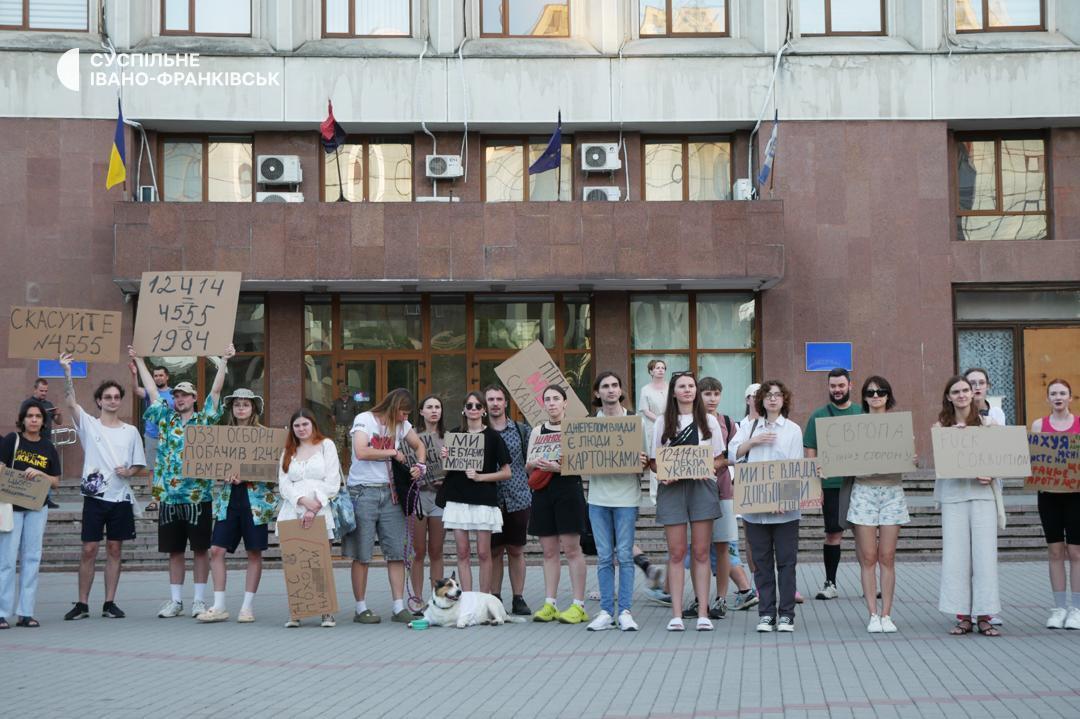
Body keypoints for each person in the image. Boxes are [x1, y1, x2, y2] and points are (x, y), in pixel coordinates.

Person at [131, 343, 234, 619]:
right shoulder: (164, 418)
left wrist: (223, 361)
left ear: (193, 398)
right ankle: (175, 600)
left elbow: (215, 391)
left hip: (198, 497)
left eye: (185, 395)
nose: (180, 398)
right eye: (177, 394)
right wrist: (140, 359)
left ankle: (199, 600)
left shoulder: (205, 420)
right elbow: (153, 391)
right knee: (174, 551)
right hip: (168, 497)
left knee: (200, 550)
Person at [59, 354, 146, 621]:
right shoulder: (89, 424)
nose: (112, 401)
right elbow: (71, 402)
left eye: (116, 397)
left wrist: (129, 471)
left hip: (119, 498)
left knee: (115, 549)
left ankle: (109, 602)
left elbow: (140, 466)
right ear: (99, 401)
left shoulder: (130, 431)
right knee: (89, 549)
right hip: (95, 497)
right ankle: (82, 603)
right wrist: (67, 371)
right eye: (107, 397)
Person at [649, 371, 725, 632]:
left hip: (702, 487)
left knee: (702, 552)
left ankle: (703, 612)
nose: (687, 390)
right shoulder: (662, 422)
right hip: (672, 490)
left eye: (691, 386)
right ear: (673, 392)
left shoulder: (710, 422)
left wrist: (709, 467)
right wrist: (663, 474)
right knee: (677, 552)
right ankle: (677, 614)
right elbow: (654, 461)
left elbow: (720, 458)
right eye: (682, 386)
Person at [344, 388, 426, 624]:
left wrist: (419, 466)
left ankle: (399, 606)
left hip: (391, 493)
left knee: (397, 552)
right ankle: (361, 608)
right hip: (363, 491)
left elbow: (419, 446)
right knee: (362, 554)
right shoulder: (364, 419)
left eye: (407, 414)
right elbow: (361, 451)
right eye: (403, 412)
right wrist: (393, 452)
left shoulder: (403, 425)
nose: (404, 417)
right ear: (393, 406)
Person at [196, 389, 278, 624]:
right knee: (216, 550)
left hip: (255, 501)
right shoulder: (221, 436)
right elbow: (208, 466)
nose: (241, 408)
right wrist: (220, 473)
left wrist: (246, 474)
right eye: (237, 405)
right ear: (231, 409)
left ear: (254, 408)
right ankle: (219, 604)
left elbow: (273, 470)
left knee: (254, 551)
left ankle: (247, 606)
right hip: (228, 500)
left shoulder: (264, 436)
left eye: (246, 404)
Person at [729, 381, 804, 632]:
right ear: (760, 400)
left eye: (777, 395)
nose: (773, 399)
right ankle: (766, 614)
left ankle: (786, 615)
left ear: (784, 400)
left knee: (786, 562)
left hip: (785, 511)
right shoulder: (748, 427)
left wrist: (785, 499)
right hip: (755, 509)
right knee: (761, 564)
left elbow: (796, 466)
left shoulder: (793, 430)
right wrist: (754, 441)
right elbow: (733, 454)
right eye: (768, 395)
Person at [935, 375, 1002, 637]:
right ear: (949, 397)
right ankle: (962, 615)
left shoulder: (989, 424)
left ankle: (985, 615)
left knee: (985, 557)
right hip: (954, 497)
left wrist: (992, 473)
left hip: (982, 496)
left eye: (965, 390)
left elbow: (1002, 460)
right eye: (956, 391)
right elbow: (942, 463)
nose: (962, 394)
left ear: (973, 394)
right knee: (956, 558)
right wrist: (951, 437)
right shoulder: (941, 428)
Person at [847, 376, 913, 633]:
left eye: (881, 391)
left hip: (892, 491)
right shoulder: (854, 426)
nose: (876, 396)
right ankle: (872, 614)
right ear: (864, 397)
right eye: (871, 392)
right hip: (864, 490)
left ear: (888, 395)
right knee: (868, 557)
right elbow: (843, 457)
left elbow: (908, 458)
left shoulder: (898, 426)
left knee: (887, 556)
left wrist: (911, 458)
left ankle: (887, 614)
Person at [585, 372, 648, 632]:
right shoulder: (588, 424)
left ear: (621, 391)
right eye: (605, 386)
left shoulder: (636, 422)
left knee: (624, 555)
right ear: (597, 393)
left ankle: (624, 611)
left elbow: (645, 463)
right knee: (603, 557)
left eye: (614, 386)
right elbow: (581, 460)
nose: (610, 390)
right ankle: (605, 612)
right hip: (598, 498)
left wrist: (642, 462)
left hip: (626, 498)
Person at [691, 376, 754, 620]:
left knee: (723, 545)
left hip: (722, 488)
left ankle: (721, 599)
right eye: (707, 394)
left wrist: (720, 462)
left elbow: (736, 454)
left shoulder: (728, 422)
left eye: (716, 394)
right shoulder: (690, 421)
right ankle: (700, 600)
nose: (712, 398)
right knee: (699, 548)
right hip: (695, 490)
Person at [527, 385, 589, 625]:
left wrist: (559, 467)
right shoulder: (537, 430)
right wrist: (535, 463)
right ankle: (550, 603)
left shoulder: (574, 428)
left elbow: (585, 463)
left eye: (556, 399)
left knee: (572, 549)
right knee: (549, 550)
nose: (552, 403)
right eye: (548, 399)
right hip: (543, 491)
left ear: (565, 403)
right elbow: (527, 466)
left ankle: (578, 605)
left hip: (568, 489)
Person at [440, 392, 511, 594]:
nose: (473, 409)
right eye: (469, 405)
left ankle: (484, 598)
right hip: (458, 498)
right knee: (462, 552)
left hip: (483, 500)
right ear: (463, 409)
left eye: (477, 406)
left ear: (483, 410)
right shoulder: (455, 435)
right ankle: (467, 599)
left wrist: (481, 477)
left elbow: (507, 472)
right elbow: (445, 472)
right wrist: (445, 457)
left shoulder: (493, 437)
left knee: (483, 552)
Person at [276, 408, 341, 628]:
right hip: (293, 509)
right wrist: (302, 501)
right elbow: (284, 483)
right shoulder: (288, 450)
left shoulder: (326, 446)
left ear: (313, 424)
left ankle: (326, 610)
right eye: (297, 426)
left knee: (319, 561)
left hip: (320, 509)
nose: (301, 429)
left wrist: (315, 506)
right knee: (295, 562)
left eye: (305, 424)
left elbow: (333, 481)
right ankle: (297, 610)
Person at [0, 400, 61, 628]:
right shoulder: (11, 440)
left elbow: (56, 482)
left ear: (43, 421)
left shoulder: (48, 447)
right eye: (30, 416)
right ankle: (1, 612)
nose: (34, 420)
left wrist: (40, 474)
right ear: (23, 419)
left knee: (32, 558)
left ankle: (26, 612)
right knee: (6, 559)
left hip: (37, 507)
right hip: (11, 507)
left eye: (38, 416)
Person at [803, 368, 862, 600]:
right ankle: (830, 583)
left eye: (841, 385)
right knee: (833, 534)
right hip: (831, 485)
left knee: (863, 534)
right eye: (833, 386)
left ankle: (870, 581)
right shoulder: (819, 416)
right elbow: (810, 448)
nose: (837, 390)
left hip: (860, 484)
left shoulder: (862, 412)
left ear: (850, 385)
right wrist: (815, 483)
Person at [1030, 379, 1080, 630]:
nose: (1058, 397)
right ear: (1048, 399)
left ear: (1070, 398)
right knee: (1055, 551)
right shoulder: (1040, 425)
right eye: (1053, 394)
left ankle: (1077, 609)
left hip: (1076, 494)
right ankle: (1059, 607)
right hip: (1049, 494)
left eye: (1062, 393)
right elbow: (1034, 459)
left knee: (1076, 552)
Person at [484, 384, 533, 616]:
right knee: (494, 551)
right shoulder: (479, 433)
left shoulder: (521, 430)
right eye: (490, 399)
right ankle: (495, 597)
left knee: (516, 549)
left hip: (518, 496)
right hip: (488, 498)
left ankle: (518, 597)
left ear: (506, 403)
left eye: (499, 399)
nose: (495, 403)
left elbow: (532, 459)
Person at [408, 394, 446, 607]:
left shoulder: (450, 438)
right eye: (429, 407)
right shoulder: (412, 438)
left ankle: (437, 597)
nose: (434, 411)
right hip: (419, 497)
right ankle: (416, 597)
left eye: (437, 407)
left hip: (440, 498)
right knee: (419, 550)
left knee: (437, 550)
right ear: (421, 411)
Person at [130, 361, 173, 511]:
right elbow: (136, 390)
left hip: (170, 437)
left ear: (167, 377)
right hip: (152, 435)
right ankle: (155, 500)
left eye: (161, 375)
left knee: (170, 468)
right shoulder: (149, 392)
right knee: (153, 469)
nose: (158, 378)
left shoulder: (175, 394)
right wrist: (135, 374)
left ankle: (169, 498)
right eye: (155, 376)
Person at [638, 360, 668, 503]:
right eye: (657, 368)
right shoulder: (645, 389)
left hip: (670, 426)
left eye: (663, 368)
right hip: (653, 426)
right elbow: (644, 409)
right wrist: (659, 420)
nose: (660, 370)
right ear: (651, 371)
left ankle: (668, 491)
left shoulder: (670, 387)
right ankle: (655, 496)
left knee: (668, 457)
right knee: (655, 460)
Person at [332, 381, 358, 462]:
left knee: (352, 446)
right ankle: (338, 465)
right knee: (338, 446)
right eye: (343, 394)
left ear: (348, 393)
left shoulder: (353, 401)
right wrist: (338, 423)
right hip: (340, 426)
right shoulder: (336, 402)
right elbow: (333, 415)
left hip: (351, 426)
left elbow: (356, 415)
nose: (344, 396)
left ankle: (352, 465)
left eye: (346, 394)